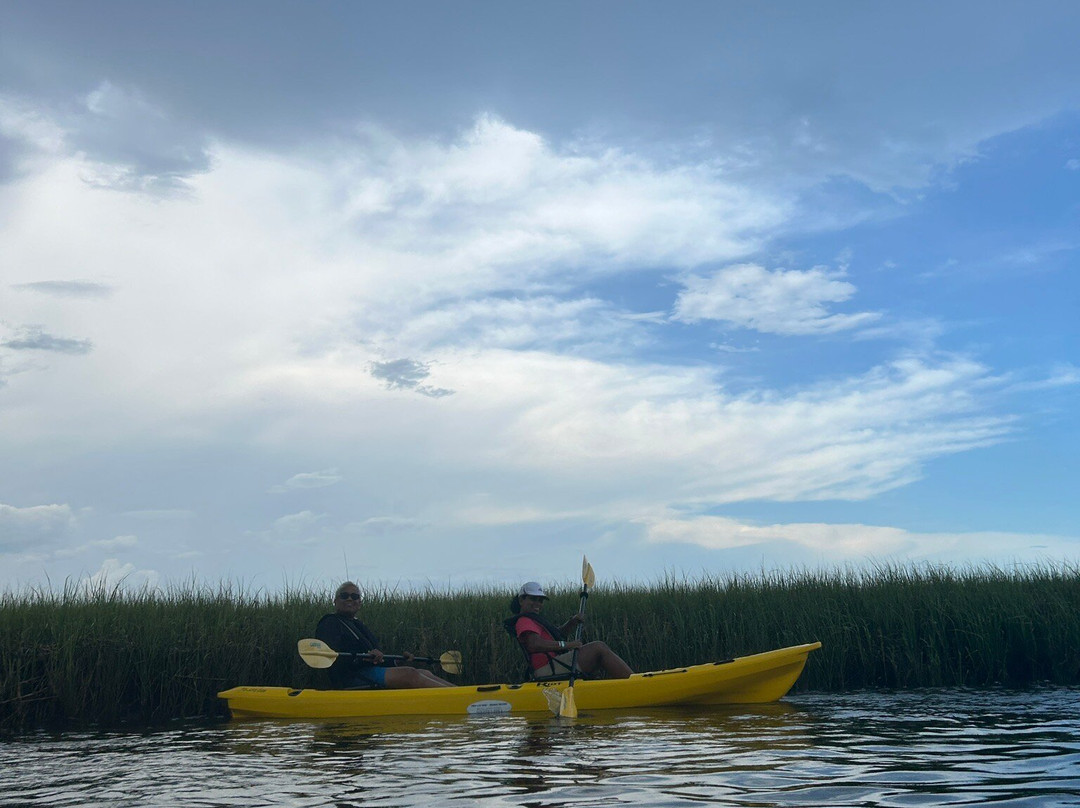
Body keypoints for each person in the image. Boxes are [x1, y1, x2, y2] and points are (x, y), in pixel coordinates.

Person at [315, 581, 454, 689]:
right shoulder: (329, 623)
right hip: (351, 677)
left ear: (360, 603)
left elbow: (379, 659)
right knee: (410, 674)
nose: (350, 599)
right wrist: (363, 659)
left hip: (369, 672)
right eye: (344, 595)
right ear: (335, 600)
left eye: (355, 596)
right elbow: (334, 659)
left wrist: (397, 661)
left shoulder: (358, 625)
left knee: (424, 672)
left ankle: (464, 692)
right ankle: (459, 698)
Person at [504, 581, 632, 680]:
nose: (538, 603)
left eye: (540, 600)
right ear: (521, 600)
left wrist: (572, 622)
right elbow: (534, 644)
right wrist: (568, 645)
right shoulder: (524, 621)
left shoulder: (533, 620)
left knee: (597, 655)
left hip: (554, 664)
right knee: (598, 648)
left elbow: (559, 635)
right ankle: (633, 682)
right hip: (546, 669)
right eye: (533, 599)